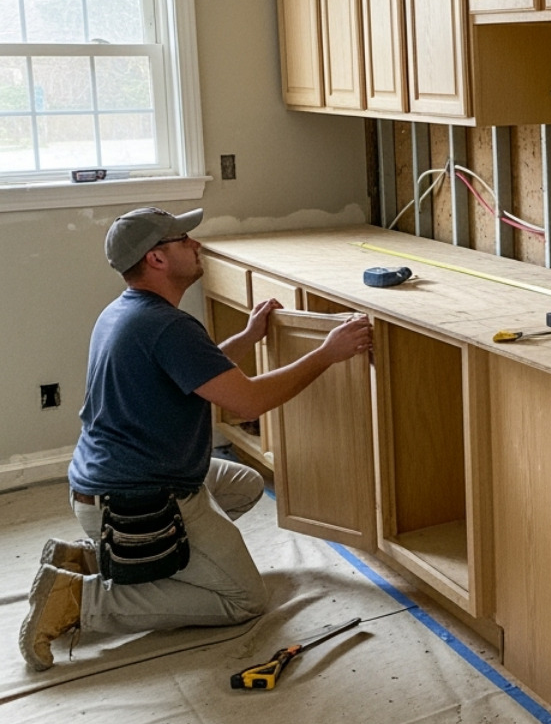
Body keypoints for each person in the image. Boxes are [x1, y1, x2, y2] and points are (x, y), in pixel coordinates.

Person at [18, 206, 372, 671]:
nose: (196, 244)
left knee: (243, 486)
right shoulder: (167, 326)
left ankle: (93, 560)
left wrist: (247, 336)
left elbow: (199, 375)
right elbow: (248, 403)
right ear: (157, 259)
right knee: (243, 599)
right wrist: (327, 353)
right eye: (184, 239)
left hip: (109, 483)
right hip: (138, 500)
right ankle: (81, 601)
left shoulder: (130, 312)